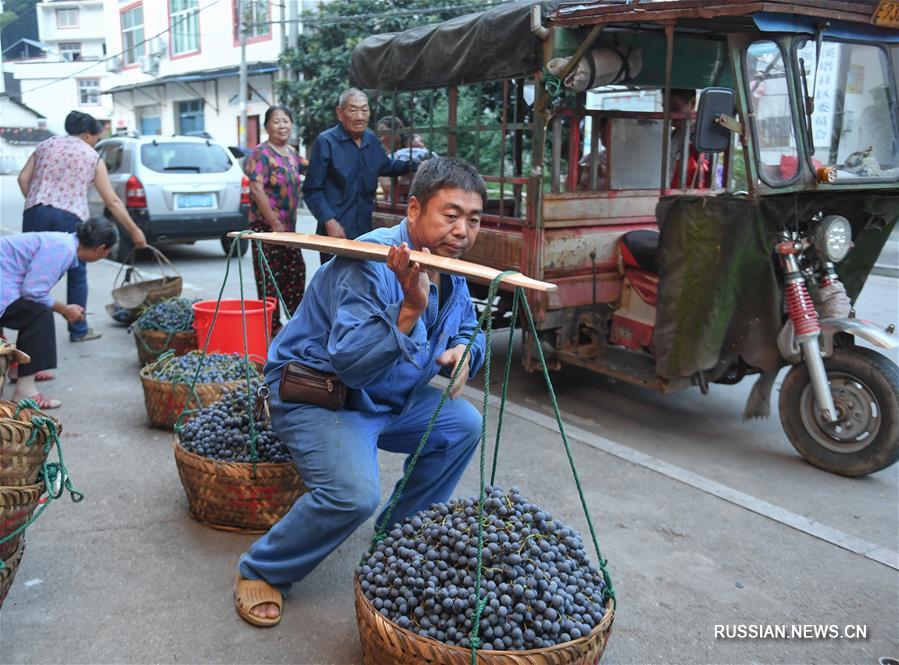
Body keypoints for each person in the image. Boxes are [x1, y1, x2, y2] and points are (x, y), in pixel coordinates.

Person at [234, 157, 487, 627]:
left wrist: (467, 350)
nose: (462, 231)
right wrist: (409, 310)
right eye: (450, 215)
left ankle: (398, 538)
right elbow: (351, 363)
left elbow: (469, 326)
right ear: (414, 209)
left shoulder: (449, 267)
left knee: (464, 424)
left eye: (473, 220)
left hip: (390, 398)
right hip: (323, 394)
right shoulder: (369, 261)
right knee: (353, 494)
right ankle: (264, 569)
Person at [17, 110, 147, 342]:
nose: (95, 142)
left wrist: (39, 203)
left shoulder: (46, 145)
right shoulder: (91, 156)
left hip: (34, 212)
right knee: (77, 274)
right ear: (87, 135)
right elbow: (112, 201)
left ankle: (24, 335)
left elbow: (23, 179)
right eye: (96, 138)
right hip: (68, 217)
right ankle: (78, 329)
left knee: (30, 274)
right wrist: (134, 230)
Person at [0, 218, 119, 408]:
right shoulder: (63, 249)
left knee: (34, 309)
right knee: (40, 315)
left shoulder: (64, 243)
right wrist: (65, 310)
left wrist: (64, 308)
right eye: (108, 251)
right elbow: (32, 291)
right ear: (101, 249)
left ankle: (20, 369)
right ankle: (25, 391)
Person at [303, 88, 417, 262]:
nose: (360, 116)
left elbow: (387, 166)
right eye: (353, 110)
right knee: (335, 277)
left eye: (364, 110)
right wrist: (329, 221)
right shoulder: (326, 142)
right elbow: (312, 190)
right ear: (340, 113)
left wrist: (417, 165)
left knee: (363, 275)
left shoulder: (371, 140)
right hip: (335, 230)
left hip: (364, 230)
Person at [244, 105, 309, 330]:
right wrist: (274, 223)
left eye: (286, 121)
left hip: (288, 231)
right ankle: (271, 329)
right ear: (266, 126)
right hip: (266, 229)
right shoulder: (260, 154)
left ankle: (296, 326)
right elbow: (256, 189)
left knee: (296, 274)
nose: (282, 126)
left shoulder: (292, 154)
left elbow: (313, 171)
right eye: (276, 121)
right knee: (269, 280)